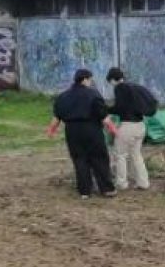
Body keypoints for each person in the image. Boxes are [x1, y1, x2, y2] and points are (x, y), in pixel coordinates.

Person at [47, 69, 117, 198]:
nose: (91, 82)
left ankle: (85, 191)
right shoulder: (93, 95)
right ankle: (107, 189)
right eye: (90, 79)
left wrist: (51, 131)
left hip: (72, 131)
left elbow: (56, 117)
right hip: (91, 130)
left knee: (79, 159)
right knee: (99, 158)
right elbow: (104, 117)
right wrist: (114, 130)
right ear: (84, 79)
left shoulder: (63, 96)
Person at [105, 67, 157, 191]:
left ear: (112, 80)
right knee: (136, 154)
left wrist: (106, 109)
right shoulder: (135, 87)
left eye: (110, 81)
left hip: (127, 126)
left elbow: (120, 108)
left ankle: (122, 183)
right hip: (140, 126)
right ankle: (143, 182)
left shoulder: (120, 88)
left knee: (120, 155)